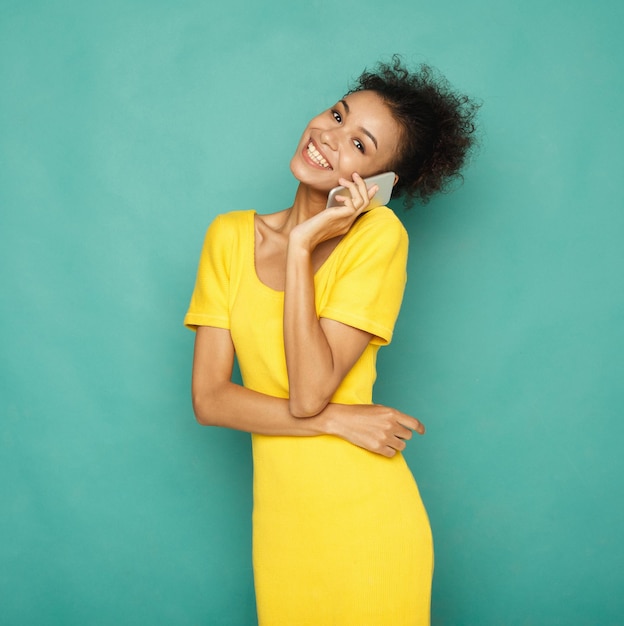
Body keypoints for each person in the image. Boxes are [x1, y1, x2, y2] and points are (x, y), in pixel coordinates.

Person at [184, 56, 478, 625]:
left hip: (367, 525)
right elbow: (210, 400)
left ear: (380, 183)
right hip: (282, 529)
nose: (328, 135)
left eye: (360, 145)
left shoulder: (379, 239)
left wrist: (301, 248)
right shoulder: (228, 237)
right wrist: (340, 420)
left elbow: (308, 391)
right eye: (338, 114)